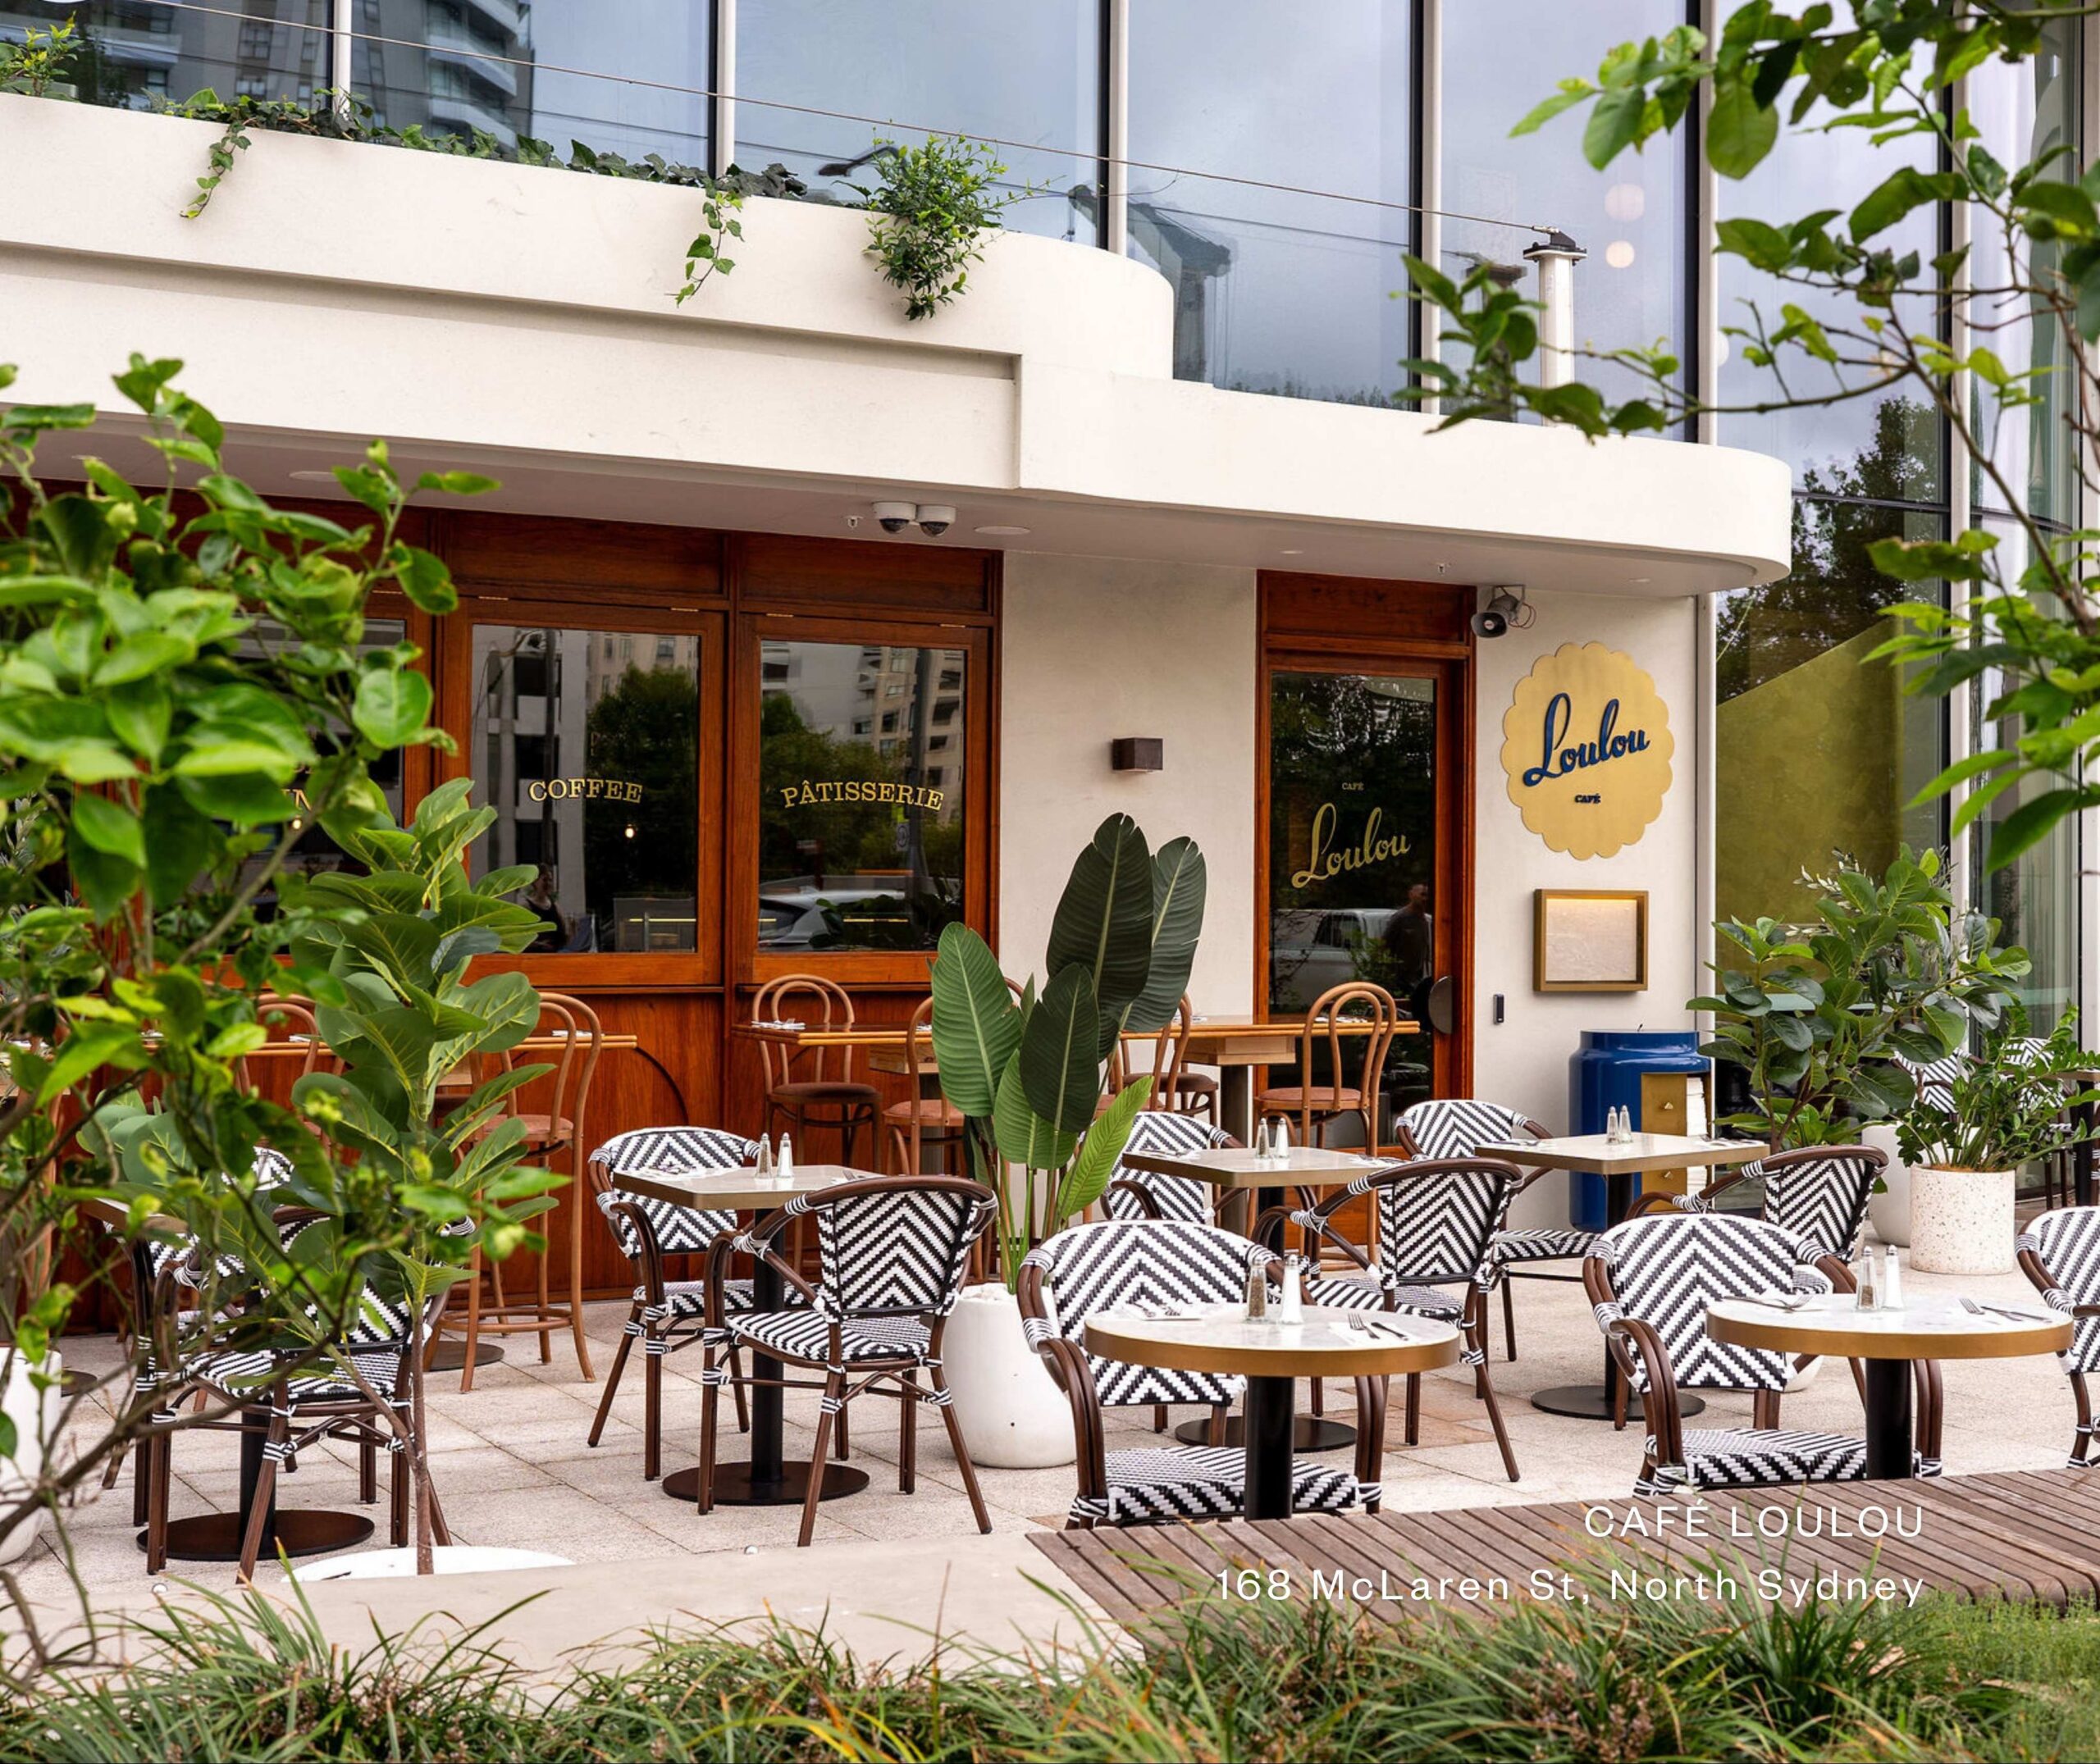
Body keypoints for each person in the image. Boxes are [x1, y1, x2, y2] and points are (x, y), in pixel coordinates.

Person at [523, 865, 573, 955]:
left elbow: (564, 941)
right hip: (533, 957)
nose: (548, 883)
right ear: (535, 882)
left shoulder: (556, 907)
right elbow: (517, 939)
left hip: (553, 958)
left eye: (550, 880)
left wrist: (572, 931)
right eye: (545, 880)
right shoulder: (526, 907)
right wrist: (538, 945)